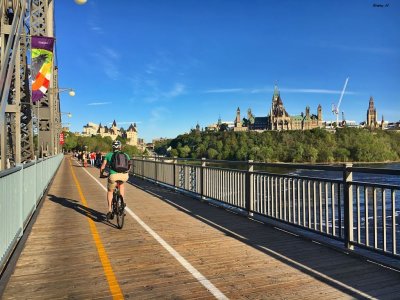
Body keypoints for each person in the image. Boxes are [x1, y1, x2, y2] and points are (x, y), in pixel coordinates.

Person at [100, 140, 130, 220]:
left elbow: (103, 166)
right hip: (124, 176)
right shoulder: (126, 155)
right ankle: (121, 203)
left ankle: (110, 210)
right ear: (120, 147)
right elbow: (129, 166)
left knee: (110, 191)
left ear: (112, 147)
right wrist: (126, 172)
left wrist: (101, 174)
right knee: (121, 185)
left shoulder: (109, 155)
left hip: (113, 176)